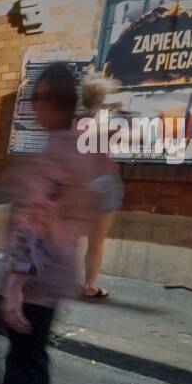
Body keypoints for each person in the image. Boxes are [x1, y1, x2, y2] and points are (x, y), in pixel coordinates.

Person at [0, 62, 104, 384]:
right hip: (54, 273)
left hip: (34, 277)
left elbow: (38, 223)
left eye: (35, 98)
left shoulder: (59, 153)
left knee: (18, 355)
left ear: (52, 101)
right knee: (25, 355)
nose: (31, 106)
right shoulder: (85, 147)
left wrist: (15, 284)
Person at [80, 75, 124, 300]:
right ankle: (88, 285)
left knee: (88, 239)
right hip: (102, 183)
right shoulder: (105, 122)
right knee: (96, 241)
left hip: (87, 183)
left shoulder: (79, 122)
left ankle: (88, 284)